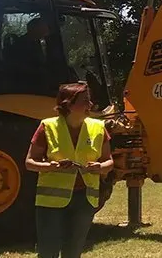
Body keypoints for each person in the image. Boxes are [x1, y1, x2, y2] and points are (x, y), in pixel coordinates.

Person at [25, 82, 114, 258]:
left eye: (89, 100)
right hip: (51, 201)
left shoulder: (98, 128)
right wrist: (50, 166)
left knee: (73, 252)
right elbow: (29, 162)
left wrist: (100, 167)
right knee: (48, 251)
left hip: (85, 199)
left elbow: (109, 161)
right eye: (85, 101)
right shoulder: (47, 127)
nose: (90, 105)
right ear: (69, 104)